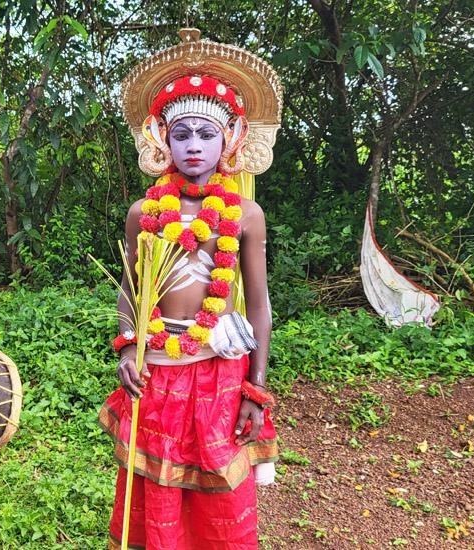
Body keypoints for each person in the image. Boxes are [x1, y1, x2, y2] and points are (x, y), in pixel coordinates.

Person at [100, 29, 282, 549]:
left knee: (218, 496)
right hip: (157, 368)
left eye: (207, 133)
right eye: (183, 134)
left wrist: (256, 388)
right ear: (162, 140)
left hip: (220, 371)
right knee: (154, 489)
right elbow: (130, 291)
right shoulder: (145, 214)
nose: (195, 146)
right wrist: (128, 345)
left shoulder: (246, 215)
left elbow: (260, 304)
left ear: (230, 139)